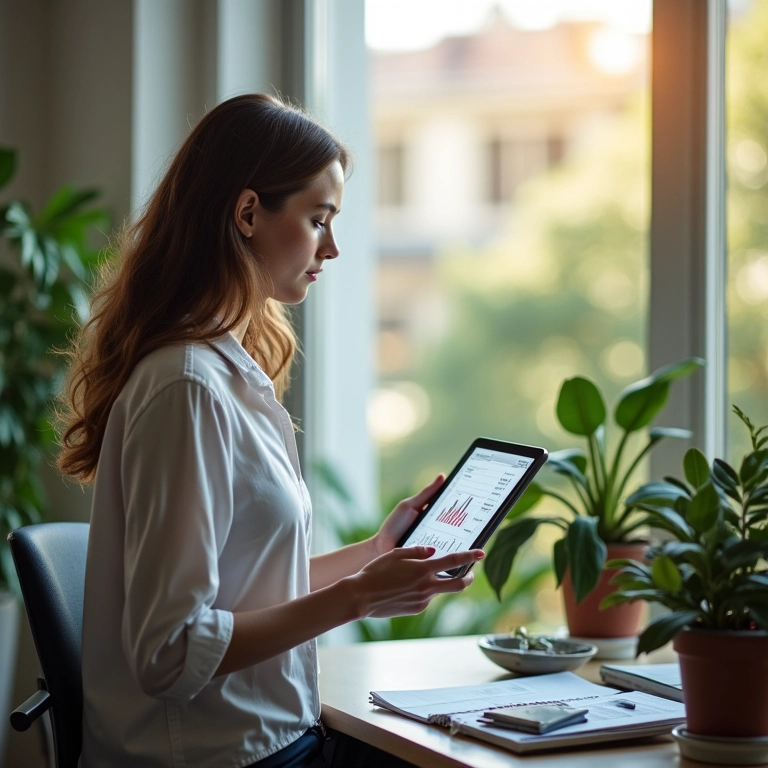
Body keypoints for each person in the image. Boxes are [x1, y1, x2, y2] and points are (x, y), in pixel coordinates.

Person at [57, 93, 482, 768]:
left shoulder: (222, 372)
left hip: (265, 745)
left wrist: (374, 554)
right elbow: (169, 655)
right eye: (319, 220)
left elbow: (247, 586)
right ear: (249, 213)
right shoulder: (189, 388)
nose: (332, 247)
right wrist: (360, 596)